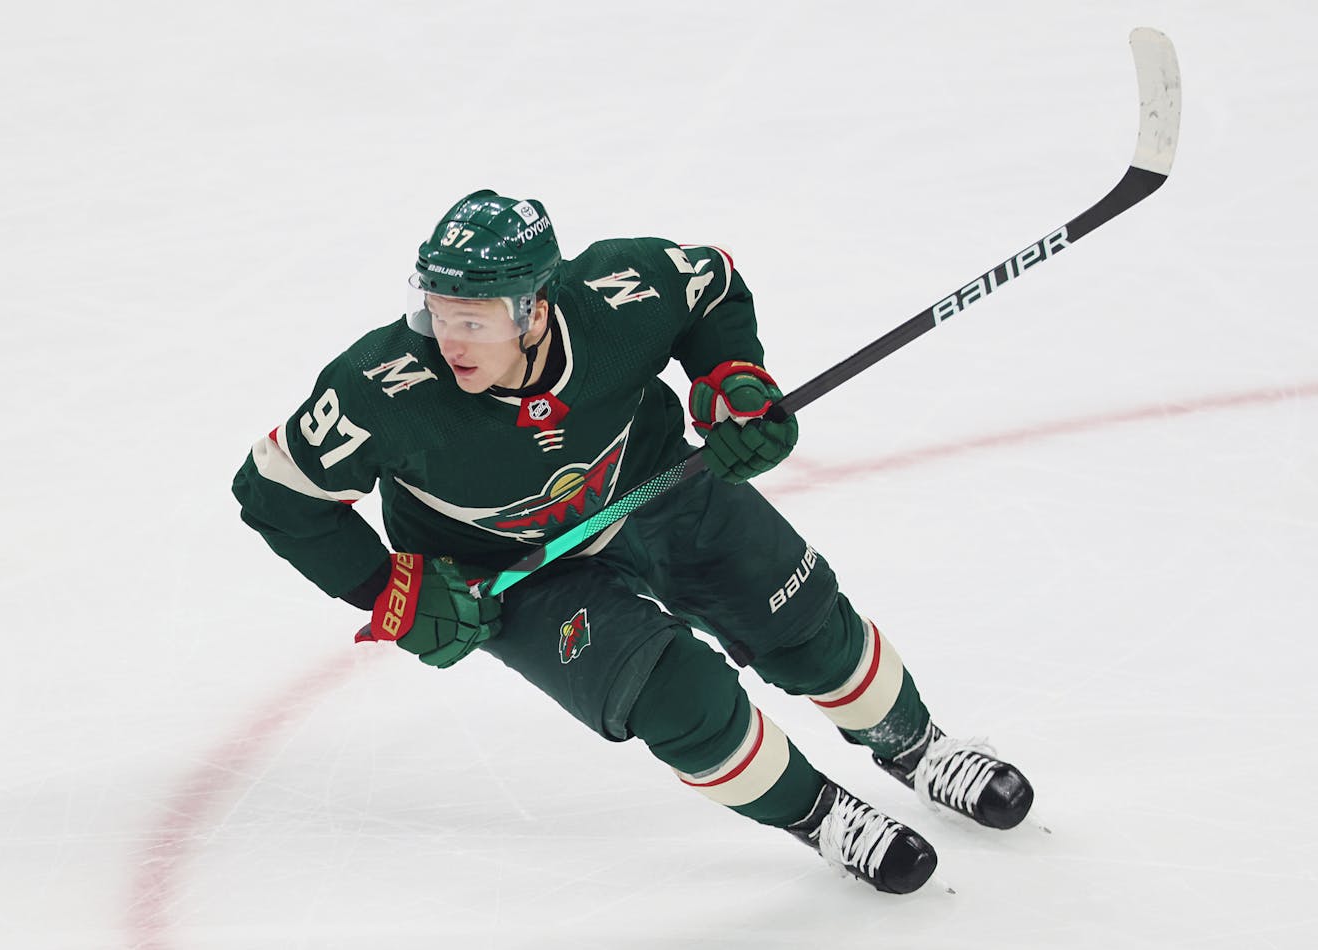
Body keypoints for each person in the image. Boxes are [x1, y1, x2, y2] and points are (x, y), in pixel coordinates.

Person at [232, 189, 1034, 894]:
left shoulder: (619, 293)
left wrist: (730, 379)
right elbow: (273, 493)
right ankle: (824, 818)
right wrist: (387, 589)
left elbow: (710, 284)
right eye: (439, 316)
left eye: (471, 321)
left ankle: (919, 750)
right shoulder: (382, 389)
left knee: (809, 633)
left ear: (535, 307)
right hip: (510, 571)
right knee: (677, 697)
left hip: (657, 487)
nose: (450, 342)